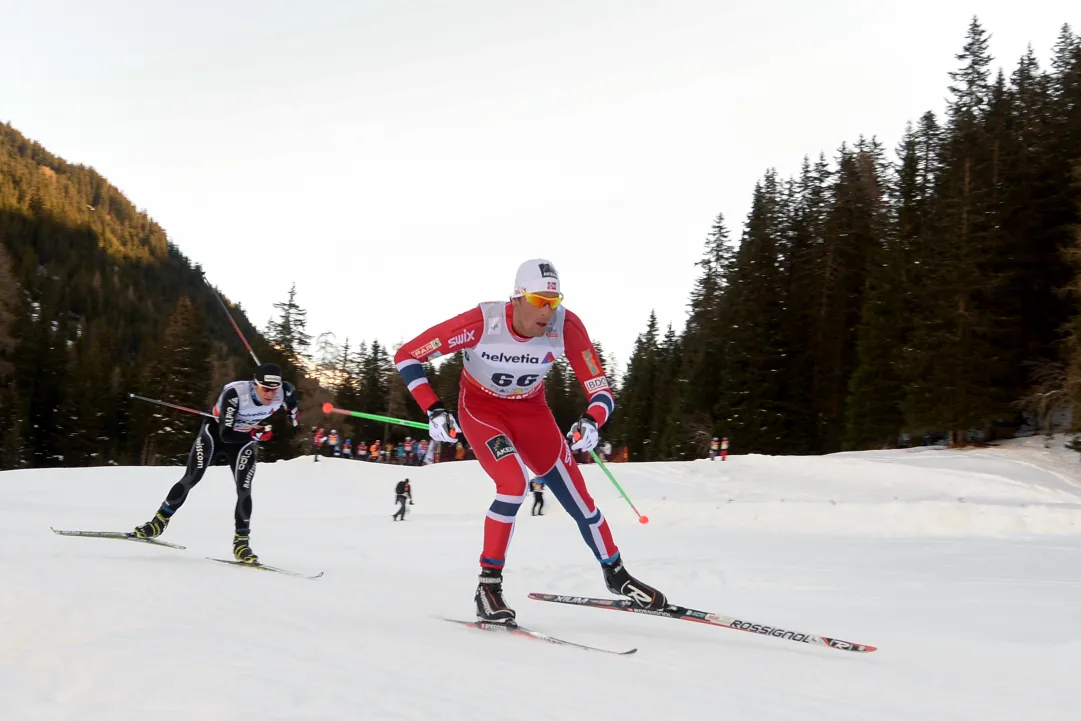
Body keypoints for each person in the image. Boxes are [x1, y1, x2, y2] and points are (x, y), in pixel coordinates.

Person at [393, 258, 667, 626]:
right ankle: (488, 587)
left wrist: (592, 421)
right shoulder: (483, 322)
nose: (547, 312)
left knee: (580, 499)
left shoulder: (565, 325)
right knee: (513, 485)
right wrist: (434, 410)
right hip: (482, 411)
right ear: (518, 298)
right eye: (539, 301)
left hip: (531, 412)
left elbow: (601, 389)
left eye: (553, 302)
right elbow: (407, 355)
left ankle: (616, 575)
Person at [131, 362, 300, 564]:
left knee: (244, 489)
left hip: (244, 440)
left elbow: (292, 404)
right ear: (255, 383)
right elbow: (226, 434)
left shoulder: (286, 390)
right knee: (192, 477)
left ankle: (242, 544)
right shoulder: (235, 394)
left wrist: (293, 415)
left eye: (274, 390)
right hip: (216, 433)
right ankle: (158, 522)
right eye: (265, 389)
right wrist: (256, 434)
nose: (270, 395)